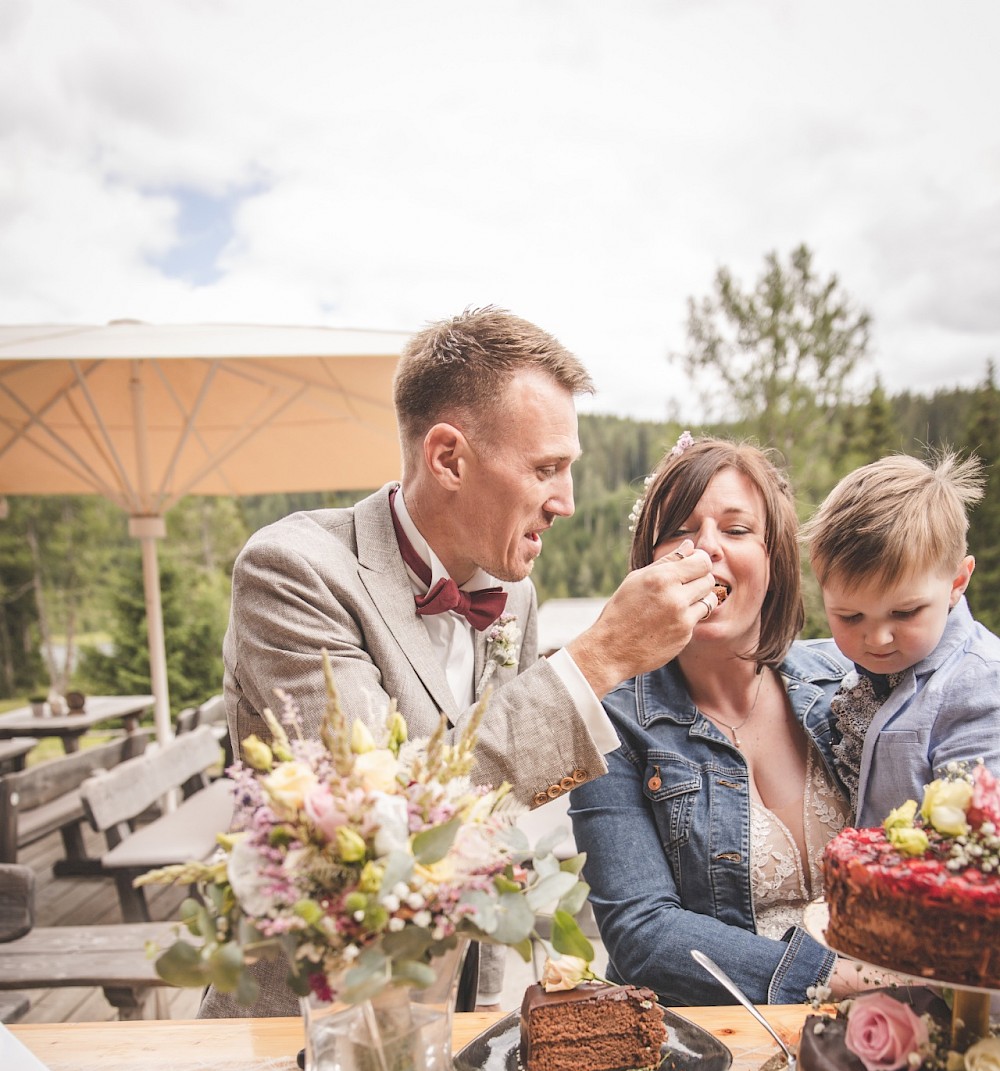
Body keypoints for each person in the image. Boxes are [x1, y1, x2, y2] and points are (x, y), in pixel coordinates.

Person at [203, 306, 719, 1020]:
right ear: (448, 458)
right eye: (547, 469)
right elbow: (388, 821)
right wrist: (600, 656)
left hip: (458, 1014)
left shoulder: (514, 593)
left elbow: (501, 797)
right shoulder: (292, 573)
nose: (566, 502)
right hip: (310, 1023)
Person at [568, 434, 869, 1009]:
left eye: (735, 529)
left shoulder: (850, 677)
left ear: (774, 559)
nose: (705, 549)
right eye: (680, 530)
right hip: (722, 1040)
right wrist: (839, 978)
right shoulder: (606, 722)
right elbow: (643, 936)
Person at [803, 451, 1000, 825]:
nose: (877, 638)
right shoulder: (874, 670)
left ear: (957, 582)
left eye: (905, 613)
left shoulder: (981, 685)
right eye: (850, 616)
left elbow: (975, 830)